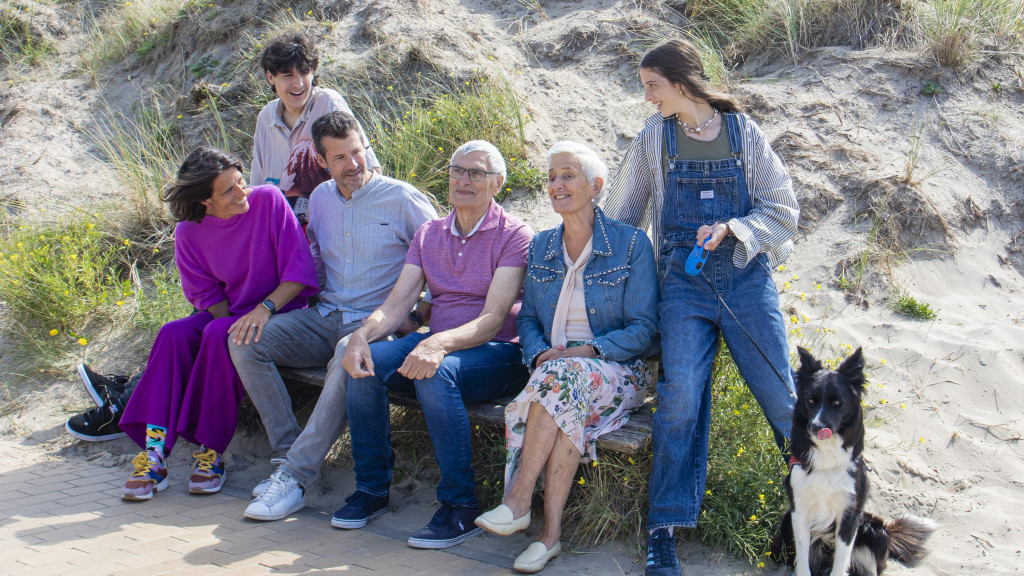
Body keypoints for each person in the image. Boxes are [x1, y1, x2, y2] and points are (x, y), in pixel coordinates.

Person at [603, 39, 800, 576]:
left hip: (744, 279)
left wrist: (735, 228)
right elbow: (622, 215)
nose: (647, 98)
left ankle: (828, 518)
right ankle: (663, 532)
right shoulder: (654, 137)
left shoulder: (743, 132)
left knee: (782, 397)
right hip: (681, 286)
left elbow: (783, 209)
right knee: (680, 399)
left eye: (653, 86)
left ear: (682, 83)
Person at [232, 110, 437, 521]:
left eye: (357, 152)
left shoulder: (401, 197)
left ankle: (296, 477)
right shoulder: (321, 199)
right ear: (323, 160)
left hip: (374, 326)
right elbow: (317, 262)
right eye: (340, 157)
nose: (353, 164)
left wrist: (418, 314)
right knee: (245, 340)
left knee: (349, 353)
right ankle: (287, 456)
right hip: (324, 315)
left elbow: (443, 257)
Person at [339, 140, 533, 549]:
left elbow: (492, 319)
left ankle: (460, 506)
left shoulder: (514, 234)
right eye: (457, 170)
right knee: (365, 360)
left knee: (436, 372)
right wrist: (360, 337)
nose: (463, 180)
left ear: (497, 183)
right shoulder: (430, 233)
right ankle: (372, 490)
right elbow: (395, 307)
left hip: (499, 353)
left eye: (476, 173)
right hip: (444, 348)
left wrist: (437, 344)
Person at [474, 142, 659, 573]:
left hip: (619, 371)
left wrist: (591, 350)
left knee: (565, 377)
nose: (557, 184)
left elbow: (644, 329)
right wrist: (539, 353)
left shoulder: (632, 245)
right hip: (558, 377)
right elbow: (530, 319)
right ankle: (548, 536)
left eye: (568, 175)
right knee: (563, 392)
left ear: (595, 186)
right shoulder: (541, 246)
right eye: (552, 176)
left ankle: (518, 500)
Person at [118, 146, 319, 501]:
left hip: (280, 313)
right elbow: (212, 303)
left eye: (241, 181)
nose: (243, 192)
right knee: (173, 334)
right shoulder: (189, 233)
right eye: (229, 190)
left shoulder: (269, 201)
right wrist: (235, 322)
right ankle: (154, 451)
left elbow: (299, 272)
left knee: (215, 335)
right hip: (227, 317)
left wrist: (264, 309)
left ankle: (211, 452)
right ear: (205, 202)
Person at [250, 32, 381, 226]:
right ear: (270, 76)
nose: (298, 83)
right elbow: (258, 188)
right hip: (282, 232)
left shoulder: (328, 103)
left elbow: (370, 171)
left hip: (333, 227)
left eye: (304, 73)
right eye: (288, 75)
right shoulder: (266, 116)